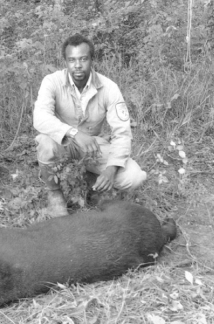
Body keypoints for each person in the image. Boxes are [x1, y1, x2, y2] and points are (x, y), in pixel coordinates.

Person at [33, 34, 147, 217]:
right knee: (44, 142)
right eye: (72, 60)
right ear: (65, 61)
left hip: (93, 147)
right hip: (64, 144)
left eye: (83, 59)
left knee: (135, 177)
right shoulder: (52, 82)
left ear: (92, 59)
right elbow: (40, 117)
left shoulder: (109, 88)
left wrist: (111, 169)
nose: (77, 65)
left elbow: (122, 133)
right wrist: (74, 134)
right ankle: (55, 194)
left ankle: (91, 181)